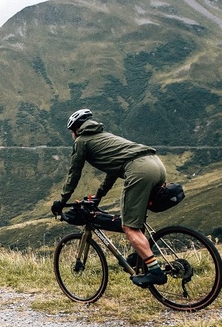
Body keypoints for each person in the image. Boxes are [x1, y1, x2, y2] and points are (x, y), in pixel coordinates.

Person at [51, 109, 169, 287]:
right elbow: (112, 172)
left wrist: (61, 200)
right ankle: (140, 255)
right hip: (156, 164)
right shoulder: (105, 136)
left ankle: (155, 272)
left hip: (140, 171)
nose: (72, 136)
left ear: (75, 129)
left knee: (129, 227)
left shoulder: (82, 141)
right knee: (137, 220)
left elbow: (74, 173)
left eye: (71, 132)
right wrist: (99, 195)